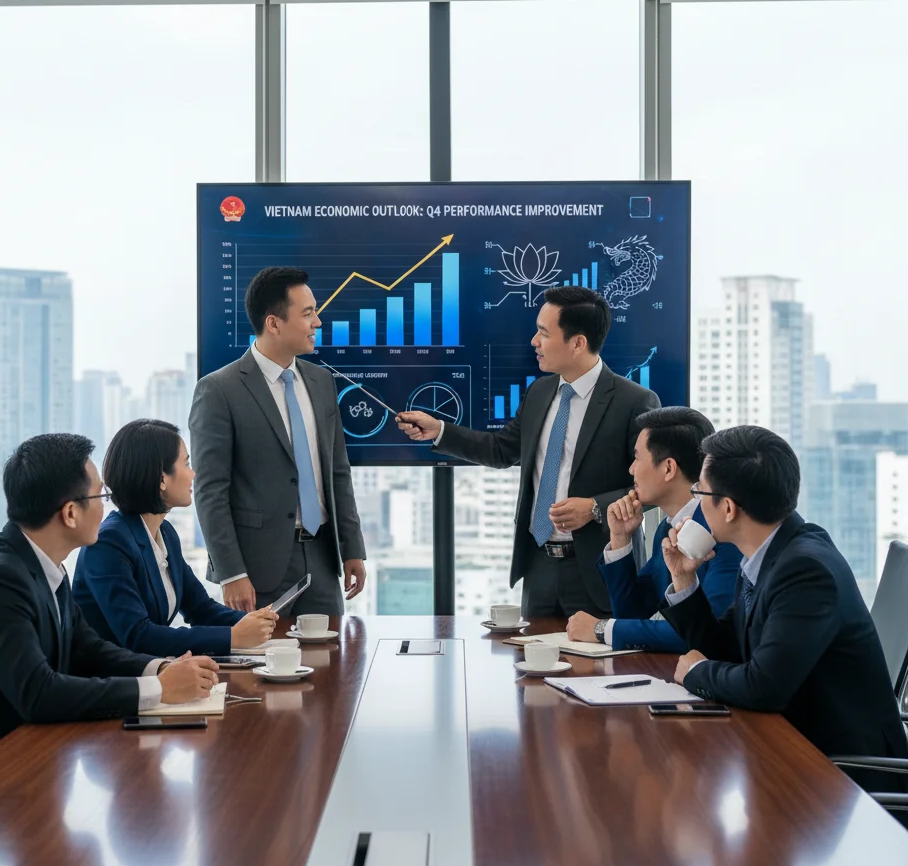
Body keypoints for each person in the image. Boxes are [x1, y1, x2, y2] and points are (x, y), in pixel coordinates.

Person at [0, 434, 220, 772]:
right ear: (70, 513)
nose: (107, 506)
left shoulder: (42, 564)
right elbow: (39, 694)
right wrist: (158, 689)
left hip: (10, 759)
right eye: (101, 495)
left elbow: (87, 648)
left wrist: (160, 669)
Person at [397, 285, 659, 618]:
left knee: (597, 668)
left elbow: (653, 490)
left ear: (578, 342)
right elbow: (502, 450)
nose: (534, 342)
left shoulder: (634, 401)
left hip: (598, 570)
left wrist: (594, 508)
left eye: (543, 333)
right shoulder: (539, 391)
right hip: (539, 566)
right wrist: (440, 430)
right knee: (532, 667)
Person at [660, 425, 908, 766]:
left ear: (728, 508)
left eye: (698, 493)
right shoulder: (767, 553)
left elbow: (764, 688)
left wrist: (697, 672)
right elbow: (726, 648)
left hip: (845, 775)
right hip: (795, 750)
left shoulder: (806, 571)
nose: (696, 505)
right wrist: (684, 579)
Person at [189, 266, 367, 616]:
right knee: (260, 668)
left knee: (330, 664)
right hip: (256, 571)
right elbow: (210, 490)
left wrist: (353, 549)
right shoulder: (219, 390)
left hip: (322, 558)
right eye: (307, 313)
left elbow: (338, 472)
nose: (317, 322)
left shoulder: (321, 382)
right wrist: (231, 573)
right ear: (273, 323)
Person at [73, 419, 278, 657]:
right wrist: (234, 636)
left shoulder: (166, 533)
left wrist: (256, 620)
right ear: (162, 478)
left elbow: (201, 609)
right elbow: (139, 636)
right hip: (110, 682)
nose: (193, 474)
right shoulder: (109, 543)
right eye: (186, 463)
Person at [565, 407, 741, 652]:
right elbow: (634, 613)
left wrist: (602, 629)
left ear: (668, 468)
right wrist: (620, 539)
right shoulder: (666, 528)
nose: (631, 469)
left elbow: (705, 631)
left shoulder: (724, 531)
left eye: (637, 457)